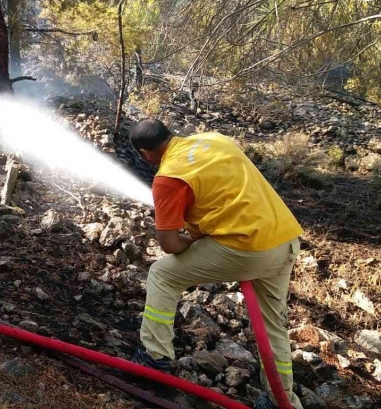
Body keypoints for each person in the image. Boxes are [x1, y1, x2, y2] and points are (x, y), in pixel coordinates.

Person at [128, 119, 304, 409]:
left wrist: (196, 242)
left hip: (245, 248)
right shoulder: (214, 139)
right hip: (284, 239)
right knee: (273, 326)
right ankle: (282, 399)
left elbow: (170, 245)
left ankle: (153, 358)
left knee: (162, 274)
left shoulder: (169, 177)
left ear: (146, 154)